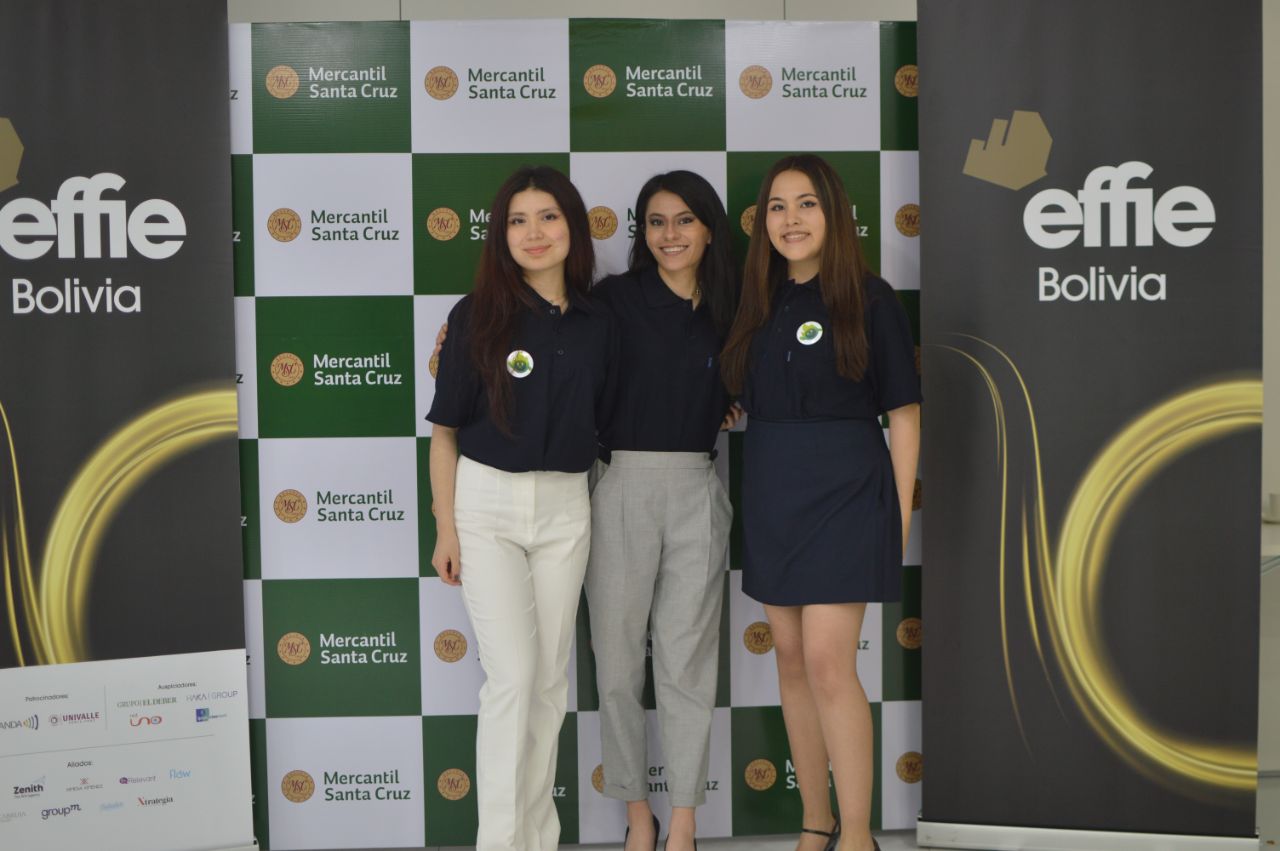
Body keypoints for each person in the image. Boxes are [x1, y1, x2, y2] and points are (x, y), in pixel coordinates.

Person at [720, 155, 920, 851]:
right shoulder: (756, 302)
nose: (791, 220)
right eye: (777, 206)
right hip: (772, 491)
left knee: (832, 663)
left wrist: (895, 517)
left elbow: (905, 416)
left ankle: (858, 833)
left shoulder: (871, 298)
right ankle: (816, 821)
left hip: (848, 493)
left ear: (833, 214)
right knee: (792, 660)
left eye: (806, 204)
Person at [426, 165, 617, 851]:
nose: (534, 233)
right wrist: (446, 528)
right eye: (517, 220)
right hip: (486, 506)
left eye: (548, 217)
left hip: (567, 507)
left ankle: (539, 837)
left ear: (573, 228)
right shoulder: (474, 315)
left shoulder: (600, 322)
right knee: (512, 678)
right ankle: (502, 842)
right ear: (500, 235)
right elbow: (444, 433)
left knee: (549, 682)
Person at [586, 171, 738, 851]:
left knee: (686, 664)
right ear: (641, 232)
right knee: (619, 664)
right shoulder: (614, 300)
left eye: (684, 220)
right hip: (620, 482)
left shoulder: (734, 305)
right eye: (655, 221)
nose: (669, 234)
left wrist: (729, 402)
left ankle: (683, 822)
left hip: (698, 485)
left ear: (709, 229)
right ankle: (637, 812)